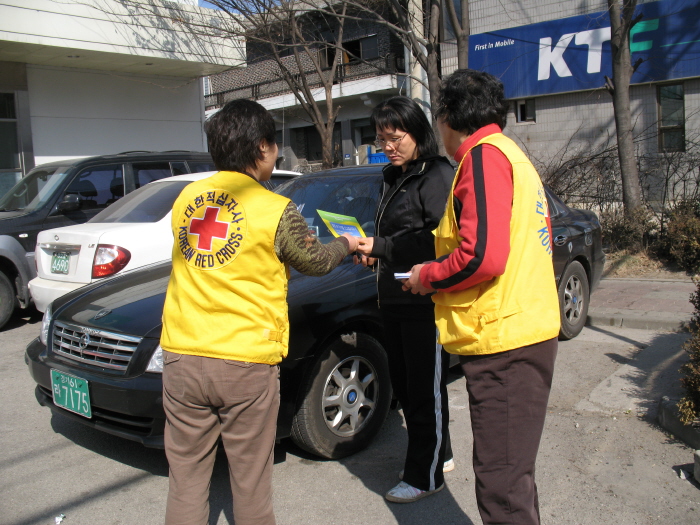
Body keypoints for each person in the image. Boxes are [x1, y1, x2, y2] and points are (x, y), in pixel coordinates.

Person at [159, 99, 358, 525]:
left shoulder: (186, 199)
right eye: (274, 146)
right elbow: (316, 262)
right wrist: (348, 244)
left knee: (186, 480)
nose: (276, 154)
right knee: (249, 483)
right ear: (262, 147)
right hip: (244, 362)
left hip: (181, 356)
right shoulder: (273, 208)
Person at [402, 70, 560, 524]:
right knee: (512, 478)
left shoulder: (483, 158)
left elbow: (482, 257)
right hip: (518, 332)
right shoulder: (510, 154)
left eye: (439, 119)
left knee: (502, 488)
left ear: (449, 116)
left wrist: (428, 276)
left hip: (505, 342)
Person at [353, 96, 456, 503]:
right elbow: (394, 238)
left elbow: (438, 240)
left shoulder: (436, 175)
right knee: (411, 387)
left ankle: (424, 476)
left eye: (395, 138)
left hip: (424, 299)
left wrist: (381, 246)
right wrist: (373, 250)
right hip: (394, 295)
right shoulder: (392, 176)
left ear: (418, 133)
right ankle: (438, 453)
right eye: (381, 140)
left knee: (423, 390)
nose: (388, 147)